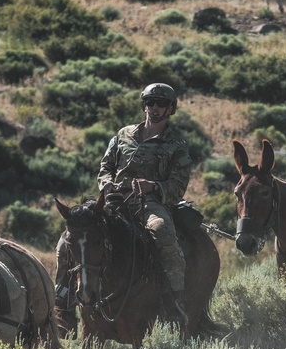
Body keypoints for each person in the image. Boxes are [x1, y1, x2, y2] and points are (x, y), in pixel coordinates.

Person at [55, 82, 193, 328]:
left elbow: (178, 185)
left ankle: (173, 300)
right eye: (150, 102)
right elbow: (105, 167)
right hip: (114, 200)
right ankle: (62, 298)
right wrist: (106, 185)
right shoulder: (123, 135)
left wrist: (154, 187)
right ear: (144, 105)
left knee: (163, 232)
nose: (154, 108)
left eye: (161, 103)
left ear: (170, 108)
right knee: (71, 236)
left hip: (149, 203)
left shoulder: (177, 146)